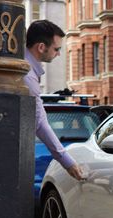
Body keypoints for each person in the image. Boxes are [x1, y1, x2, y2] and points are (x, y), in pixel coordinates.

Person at [23, 20, 84, 180]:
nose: (58, 54)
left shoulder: (26, 67)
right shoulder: (27, 76)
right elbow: (39, 122)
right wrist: (67, 162)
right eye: (56, 49)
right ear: (41, 47)